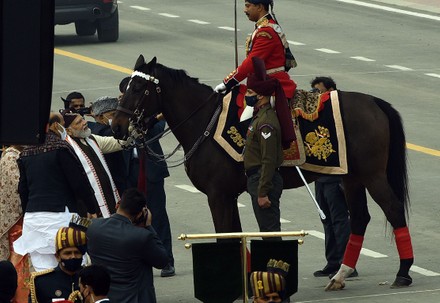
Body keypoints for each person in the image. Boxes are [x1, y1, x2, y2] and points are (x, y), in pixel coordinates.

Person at [14, 113, 97, 272]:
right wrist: (92, 209)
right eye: (62, 124)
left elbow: (23, 190)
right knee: (74, 264)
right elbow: (79, 183)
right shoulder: (60, 148)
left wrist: (29, 213)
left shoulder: (25, 153)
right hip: (60, 216)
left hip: (33, 220)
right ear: (53, 126)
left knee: (43, 271)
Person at [119, 76, 175, 277]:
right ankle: (135, 260)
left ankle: (167, 260)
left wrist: (145, 121)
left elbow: (159, 131)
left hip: (151, 171)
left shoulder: (151, 115)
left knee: (158, 215)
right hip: (129, 172)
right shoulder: (121, 116)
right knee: (130, 218)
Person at [309, 77, 357, 278]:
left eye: (319, 92)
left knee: (339, 220)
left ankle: (347, 264)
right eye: (314, 92)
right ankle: (332, 262)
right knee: (326, 220)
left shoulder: (337, 115)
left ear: (331, 91)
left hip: (334, 176)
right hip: (320, 176)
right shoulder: (316, 115)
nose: (316, 96)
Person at [86, 188, 168, 303]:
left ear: (118, 204)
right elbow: (163, 261)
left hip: (104, 298)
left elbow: (76, 223)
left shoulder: (93, 227)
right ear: (140, 214)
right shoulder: (142, 236)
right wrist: (149, 226)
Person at [244, 56, 290, 239]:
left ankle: (276, 267)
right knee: (266, 230)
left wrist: (262, 192)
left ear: (261, 96)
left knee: (270, 231)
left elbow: (269, 160)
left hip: (263, 181)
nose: (246, 96)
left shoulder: (266, 123)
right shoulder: (259, 117)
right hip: (257, 179)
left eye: (249, 92)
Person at [215, 0, 297, 99]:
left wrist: (228, 82)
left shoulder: (266, 32)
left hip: (272, 87)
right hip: (263, 84)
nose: (245, 10)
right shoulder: (266, 26)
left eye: (248, 6)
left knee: (247, 114)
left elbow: (252, 62)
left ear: (259, 7)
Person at [61, 109, 124, 217]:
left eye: (82, 119)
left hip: (108, 196)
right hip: (88, 207)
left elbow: (116, 143)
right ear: (69, 131)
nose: (84, 122)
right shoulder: (66, 149)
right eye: (78, 122)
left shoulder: (91, 139)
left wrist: (133, 131)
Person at [29, 216, 90, 303]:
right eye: (67, 253)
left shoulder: (91, 278)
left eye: (76, 253)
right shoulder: (42, 282)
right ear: (57, 256)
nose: (73, 257)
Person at [0, 144, 30, 301]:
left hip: (25, 219)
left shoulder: (21, 153)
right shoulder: (11, 157)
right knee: (18, 262)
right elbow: (16, 191)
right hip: (17, 221)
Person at [90, 96, 128, 195]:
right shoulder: (103, 131)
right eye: (114, 115)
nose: (118, 118)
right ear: (101, 117)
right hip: (114, 184)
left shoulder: (96, 129)